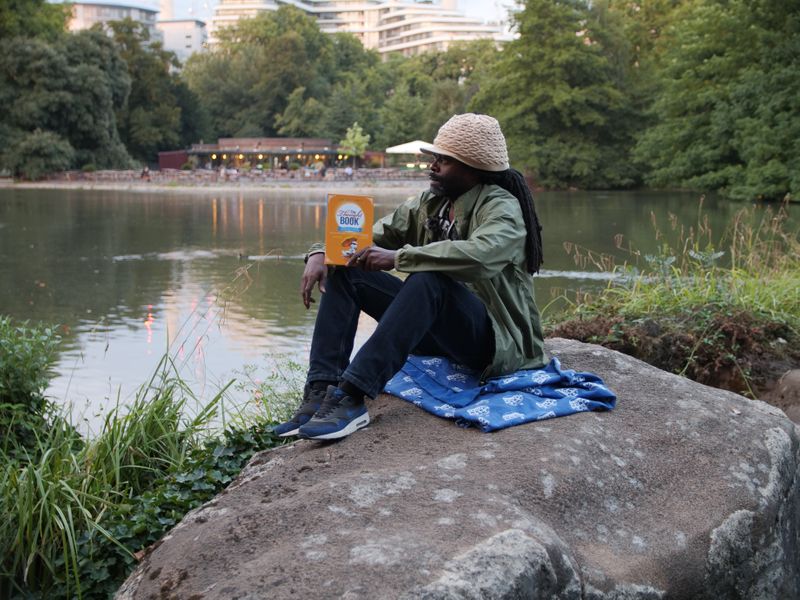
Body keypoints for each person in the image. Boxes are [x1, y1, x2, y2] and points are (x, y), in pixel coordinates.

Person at [272, 113, 546, 441]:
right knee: (347, 271)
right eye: (433, 158)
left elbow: (481, 257)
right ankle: (319, 393)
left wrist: (400, 258)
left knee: (429, 279)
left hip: (493, 340)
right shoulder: (431, 203)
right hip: (439, 331)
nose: (432, 166)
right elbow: (365, 240)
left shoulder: (501, 208)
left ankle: (351, 397)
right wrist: (321, 253)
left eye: (444, 161)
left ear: (474, 170)